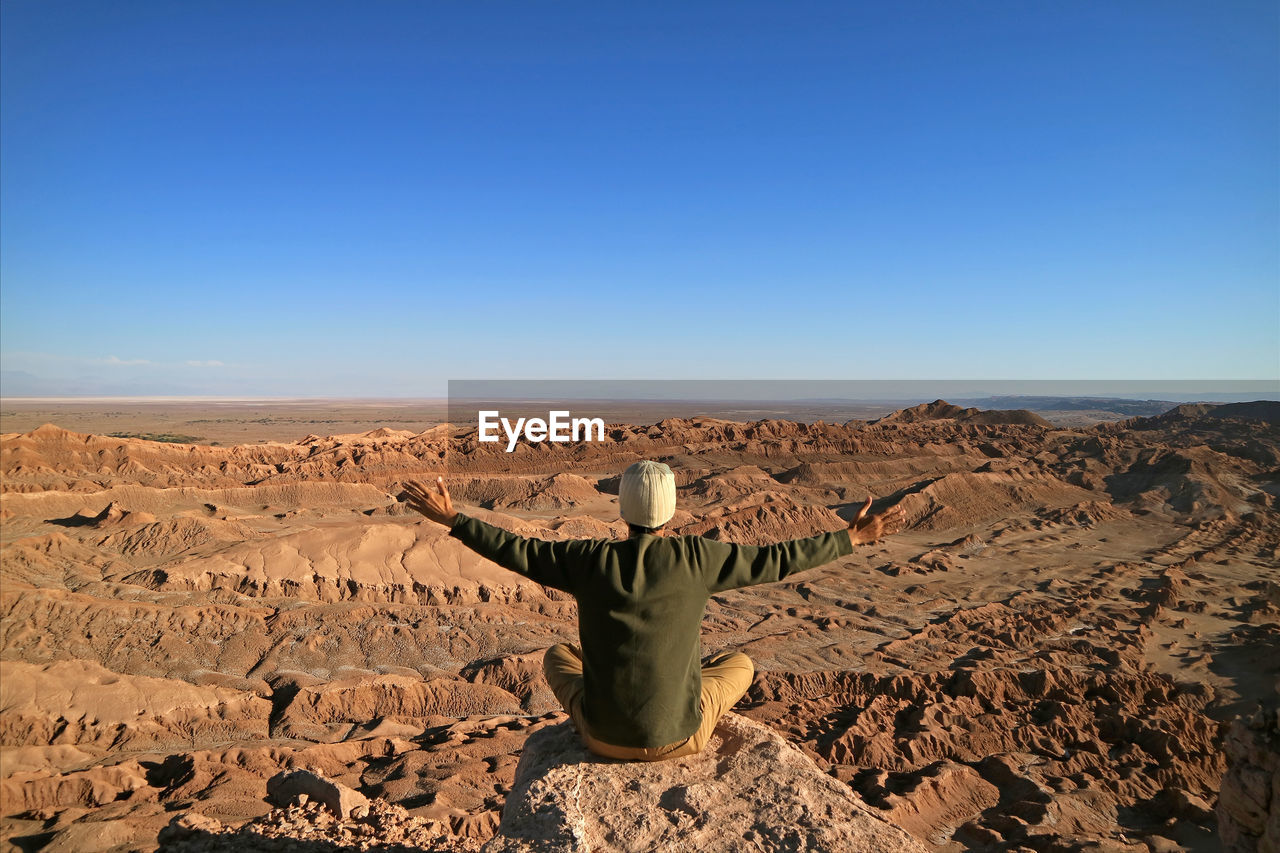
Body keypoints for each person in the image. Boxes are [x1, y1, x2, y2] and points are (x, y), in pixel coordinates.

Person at [401, 460, 905, 762]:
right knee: (741, 665)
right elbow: (779, 559)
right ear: (671, 510)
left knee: (558, 656)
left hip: (601, 738)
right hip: (680, 740)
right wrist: (852, 537)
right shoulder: (700, 559)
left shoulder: (586, 561)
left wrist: (453, 519)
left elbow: (518, 550)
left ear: (622, 508)